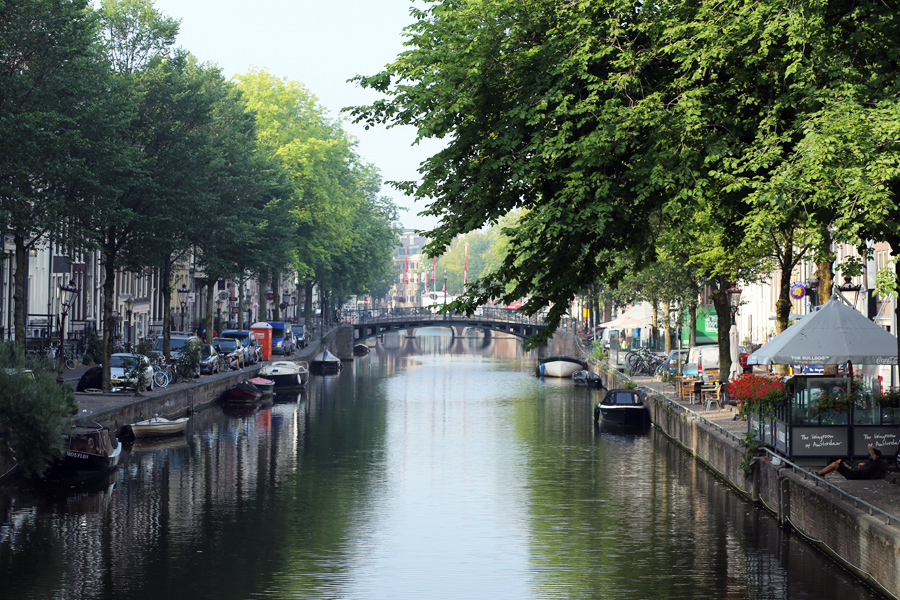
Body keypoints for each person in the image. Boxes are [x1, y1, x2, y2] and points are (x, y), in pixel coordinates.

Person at [817, 445, 885, 480]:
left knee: (840, 461)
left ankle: (819, 474)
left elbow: (870, 447)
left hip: (855, 473)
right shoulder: (872, 463)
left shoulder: (876, 461)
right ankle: (820, 473)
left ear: (877, 456)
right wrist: (861, 465)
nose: (870, 456)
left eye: (871, 455)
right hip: (855, 473)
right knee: (836, 464)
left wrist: (876, 449)